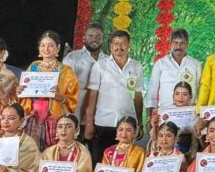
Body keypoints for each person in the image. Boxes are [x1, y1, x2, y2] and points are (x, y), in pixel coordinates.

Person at [84, 30, 144, 164]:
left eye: (123, 44)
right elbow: (92, 96)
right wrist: (89, 123)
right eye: (116, 44)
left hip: (127, 125)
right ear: (111, 46)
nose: (119, 47)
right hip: (103, 123)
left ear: (129, 45)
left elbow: (138, 96)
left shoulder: (137, 66)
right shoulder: (100, 66)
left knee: (124, 164)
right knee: (100, 163)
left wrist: (139, 122)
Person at [18, 31, 80, 152]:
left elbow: (73, 99)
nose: (46, 48)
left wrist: (59, 97)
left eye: (51, 45)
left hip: (54, 118)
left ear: (58, 48)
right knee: (30, 153)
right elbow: (25, 95)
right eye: (43, 45)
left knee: (51, 153)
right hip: (32, 118)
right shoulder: (33, 67)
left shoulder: (66, 71)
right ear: (39, 48)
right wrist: (20, 91)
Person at [144, 28, 202, 131]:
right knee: (165, 145)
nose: (178, 46)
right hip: (166, 116)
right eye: (175, 43)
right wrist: (148, 119)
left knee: (189, 145)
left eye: (182, 43)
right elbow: (151, 93)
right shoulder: (161, 64)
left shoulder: (195, 64)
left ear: (187, 44)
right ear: (170, 44)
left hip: (189, 117)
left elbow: (200, 92)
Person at [63, 23, 107, 140]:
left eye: (98, 36)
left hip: (100, 118)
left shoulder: (108, 60)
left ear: (103, 39)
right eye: (90, 35)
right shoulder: (72, 58)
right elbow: (64, 87)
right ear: (84, 38)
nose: (94, 39)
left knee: (96, 156)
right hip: (76, 115)